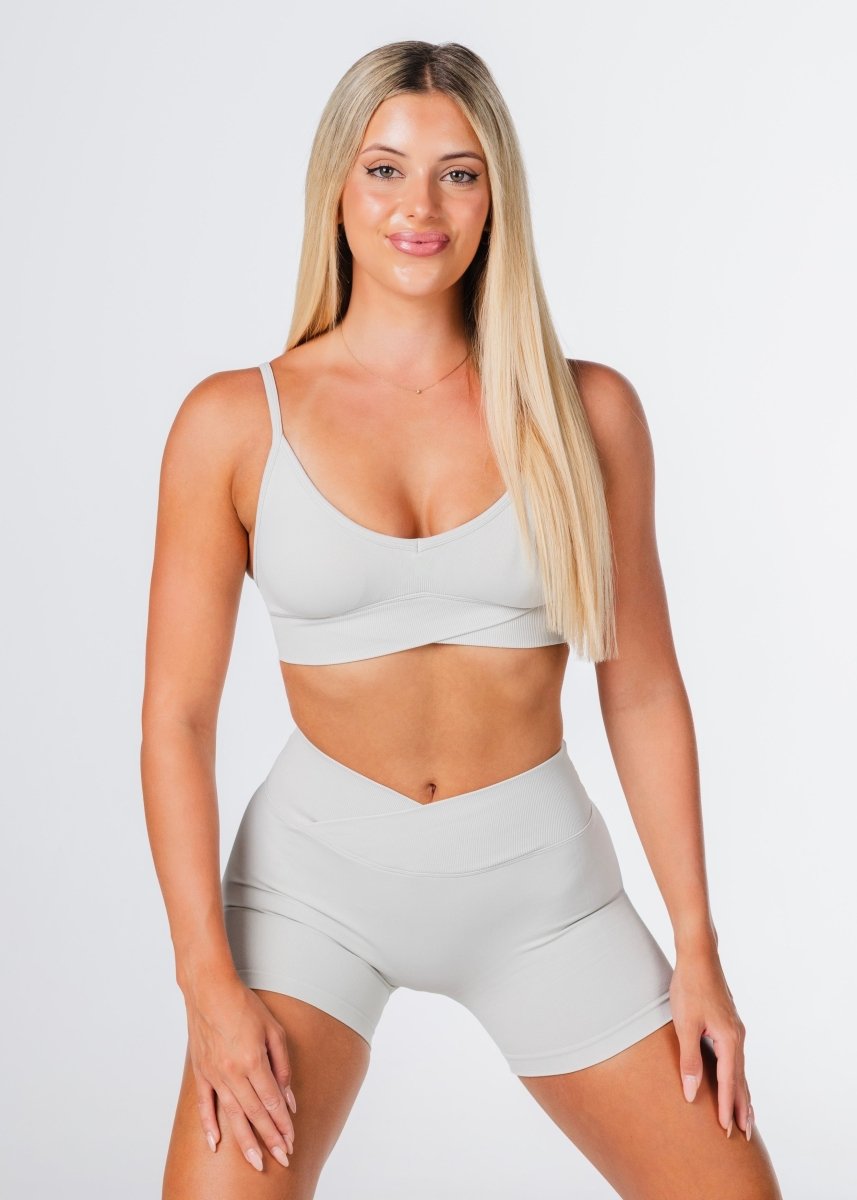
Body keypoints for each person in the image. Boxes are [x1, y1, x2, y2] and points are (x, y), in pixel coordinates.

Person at [142, 39, 783, 1200]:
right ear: (336, 185)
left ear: (497, 197)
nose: (419, 209)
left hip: (542, 895)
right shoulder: (232, 422)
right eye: (384, 169)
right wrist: (205, 982)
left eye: (458, 173)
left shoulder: (587, 413)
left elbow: (640, 689)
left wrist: (696, 948)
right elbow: (176, 720)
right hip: (309, 896)